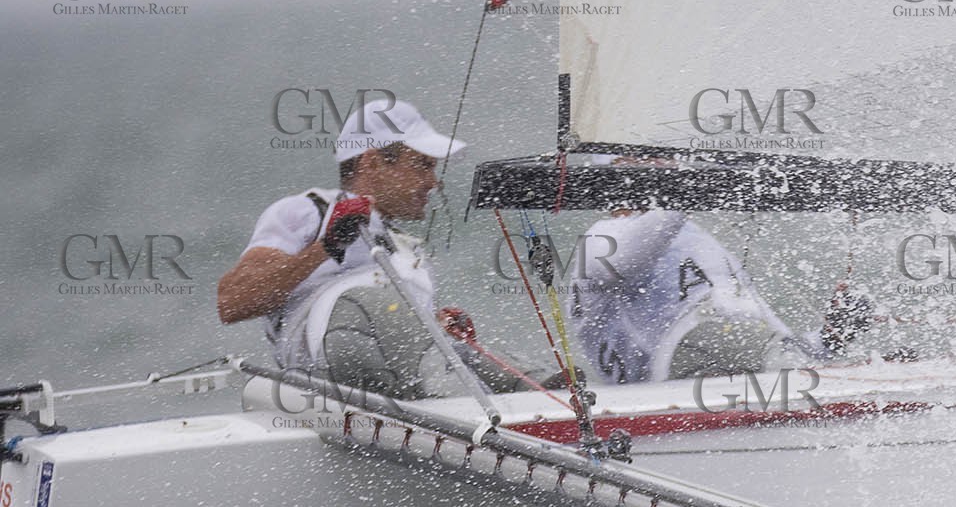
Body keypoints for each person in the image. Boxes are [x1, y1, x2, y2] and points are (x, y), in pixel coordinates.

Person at [219, 98, 546, 397]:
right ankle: (469, 408)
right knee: (376, 303)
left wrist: (435, 324)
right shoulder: (308, 211)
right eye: (422, 165)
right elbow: (232, 302)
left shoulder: (405, 249)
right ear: (373, 163)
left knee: (479, 356)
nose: (433, 182)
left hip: (393, 372)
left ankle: (545, 396)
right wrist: (328, 245)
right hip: (325, 373)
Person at [571, 202, 872, 384]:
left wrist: (830, 337)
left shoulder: (690, 234)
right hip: (675, 372)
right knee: (727, 336)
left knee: (749, 336)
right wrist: (681, 195)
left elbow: (775, 341)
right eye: (649, 159)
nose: (665, 164)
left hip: (731, 359)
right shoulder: (601, 234)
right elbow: (619, 261)